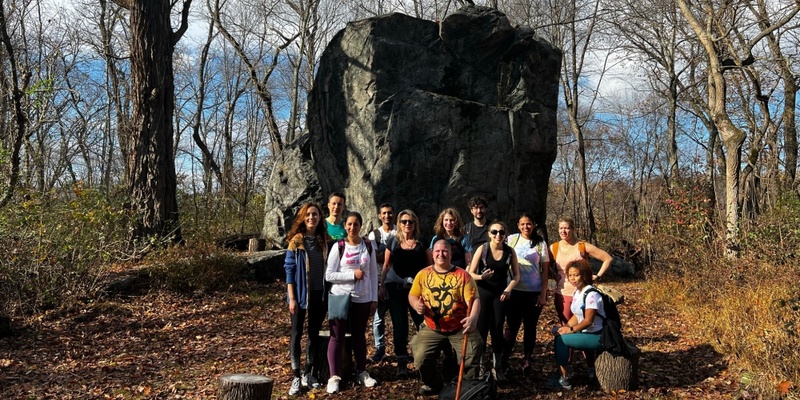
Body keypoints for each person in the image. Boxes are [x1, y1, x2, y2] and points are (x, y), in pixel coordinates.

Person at [409, 239, 483, 396]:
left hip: (460, 327)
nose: (440, 254)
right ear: (432, 253)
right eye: (437, 251)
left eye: (444, 251)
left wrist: (473, 317)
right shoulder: (423, 274)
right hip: (432, 327)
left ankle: (466, 390)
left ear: (450, 254)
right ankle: (434, 384)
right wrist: (416, 305)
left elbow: (474, 299)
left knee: (471, 355)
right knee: (420, 357)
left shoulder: (462, 275)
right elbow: (413, 295)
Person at [325, 211, 379, 394]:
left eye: (356, 224)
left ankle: (362, 372)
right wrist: (351, 275)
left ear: (361, 226)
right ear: (345, 226)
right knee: (336, 336)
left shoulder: (368, 246)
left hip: (362, 298)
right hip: (340, 297)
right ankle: (333, 376)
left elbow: (373, 274)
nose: (352, 227)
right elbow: (329, 275)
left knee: (359, 336)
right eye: (349, 224)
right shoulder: (338, 246)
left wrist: (374, 298)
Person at [283, 203, 329, 395]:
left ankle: (308, 373)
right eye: (308, 214)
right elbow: (289, 271)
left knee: (314, 334)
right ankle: (295, 376)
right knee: (296, 333)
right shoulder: (296, 242)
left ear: (320, 218)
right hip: (300, 296)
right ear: (303, 218)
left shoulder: (324, 241)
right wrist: (291, 298)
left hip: (319, 295)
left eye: (315, 214)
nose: (312, 217)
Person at [466, 220, 520, 382]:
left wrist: (508, 289)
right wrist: (481, 277)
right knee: (481, 329)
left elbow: (516, 275)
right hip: (483, 293)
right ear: (489, 234)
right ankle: (482, 367)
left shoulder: (510, 252)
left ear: (505, 235)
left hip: (500, 294)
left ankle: (497, 368)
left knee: (497, 328)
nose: (498, 235)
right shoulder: (482, 250)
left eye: (501, 232)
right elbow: (470, 273)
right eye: (494, 232)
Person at [379, 209, 430, 377]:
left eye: (411, 221)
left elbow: (430, 267)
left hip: (418, 290)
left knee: (422, 325)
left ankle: (423, 362)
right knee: (400, 326)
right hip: (396, 289)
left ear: (415, 224)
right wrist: (381, 286)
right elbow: (386, 265)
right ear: (399, 224)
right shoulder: (393, 242)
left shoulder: (422, 242)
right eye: (404, 221)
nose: (407, 224)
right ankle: (401, 364)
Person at [502, 214, 550, 375]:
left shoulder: (540, 243)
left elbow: (544, 272)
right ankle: (504, 360)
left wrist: (543, 295)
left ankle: (527, 360)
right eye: (522, 224)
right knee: (511, 328)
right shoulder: (511, 240)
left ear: (533, 225)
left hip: (533, 292)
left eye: (528, 224)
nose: (526, 227)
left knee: (530, 327)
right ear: (518, 225)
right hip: (514, 291)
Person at [547, 259, 606, 390]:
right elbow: (577, 315)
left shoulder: (591, 295)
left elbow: (588, 321)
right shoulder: (578, 292)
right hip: (586, 333)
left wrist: (571, 330)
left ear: (584, 275)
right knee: (559, 334)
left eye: (576, 275)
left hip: (596, 336)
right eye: (570, 275)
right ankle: (567, 373)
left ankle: (564, 379)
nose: (572, 278)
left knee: (561, 341)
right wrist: (565, 327)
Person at [550, 217, 612, 325]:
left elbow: (607, 258)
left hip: (583, 293)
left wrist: (597, 276)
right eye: (561, 228)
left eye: (567, 228)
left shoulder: (582, 246)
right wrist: (553, 274)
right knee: (566, 325)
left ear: (573, 229)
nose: (563, 231)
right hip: (563, 293)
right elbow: (543, 265)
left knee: (583, 325)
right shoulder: (554, 248)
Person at [368, 203, 397, 364]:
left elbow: (399, 256)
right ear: (379, 215)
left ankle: (402, 349)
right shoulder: (375, 235)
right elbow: (374, 257)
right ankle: (380, 349)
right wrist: (389, 255)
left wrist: (384, 254)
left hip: (395, 280)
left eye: (390, 213)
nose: (387, 216)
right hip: (378, 280)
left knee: (397, 317)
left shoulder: (399, 233)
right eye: (384, 213)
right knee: (379, 317)